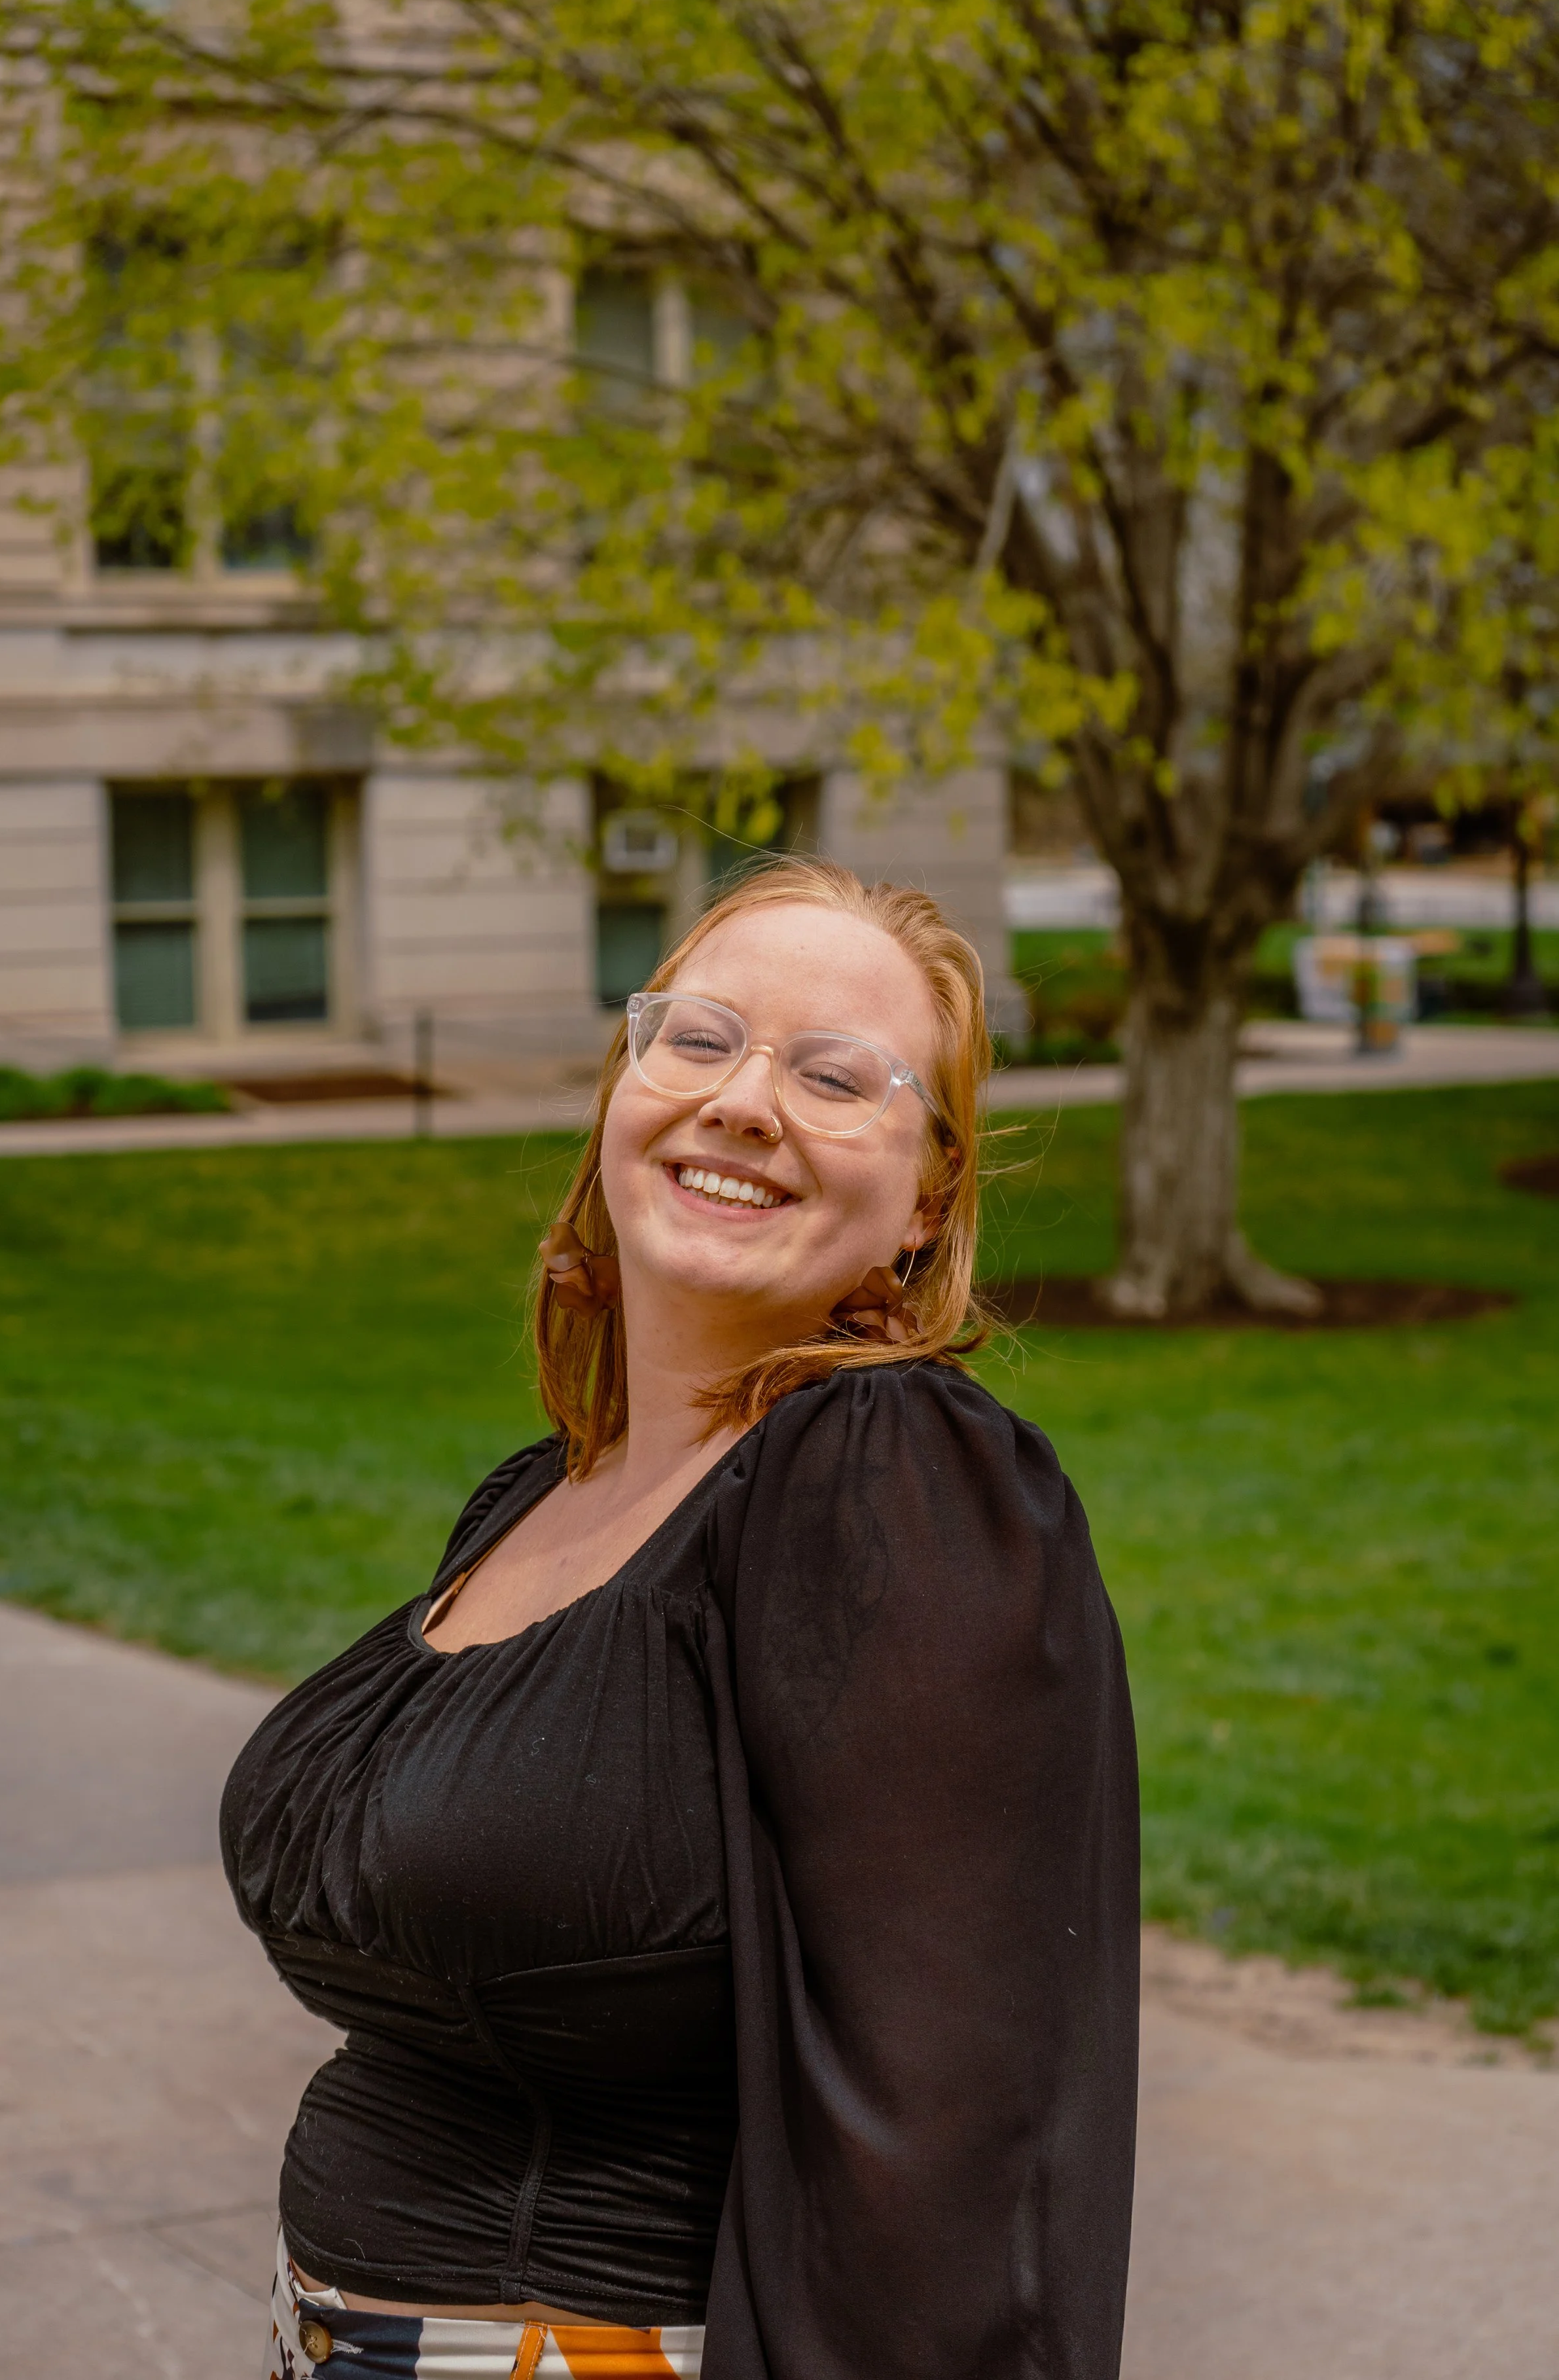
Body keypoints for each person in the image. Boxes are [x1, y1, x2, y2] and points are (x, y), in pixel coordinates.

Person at [221, 857, 1139, 2380]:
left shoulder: (886, 1475)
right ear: (620, 1092)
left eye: (835, 1076)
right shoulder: (540, 1493)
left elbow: (956, 2128)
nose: (743, 1102)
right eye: (698, 1038)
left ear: (924, 1200)